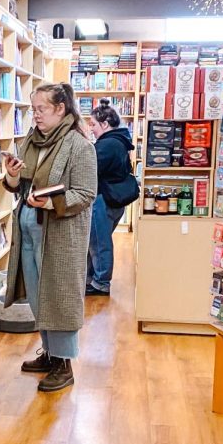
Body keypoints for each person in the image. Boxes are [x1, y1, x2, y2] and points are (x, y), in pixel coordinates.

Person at [3, 83, 97, 393]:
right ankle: (50, 353)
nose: (36, 115)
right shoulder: (31, 140)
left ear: (60, 109)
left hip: (58, 232)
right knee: (37, 293)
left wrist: (52, 203)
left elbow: (85, 194)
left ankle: (64, 365)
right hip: (29, 227)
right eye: (33, 109)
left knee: (60, 297)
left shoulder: (79, 145)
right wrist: (13, 175)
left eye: (41, 109)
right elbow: (18, 185)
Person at [86, 98, 138, 296]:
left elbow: (89, 170)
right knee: (99, 241)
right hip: (114, 199)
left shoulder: (106, 145)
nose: (91, 129)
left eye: (93, 125)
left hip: (103, 199)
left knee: (99, 243)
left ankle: (100, 282)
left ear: (105, 124)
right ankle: (93, 279)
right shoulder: (120, 141)